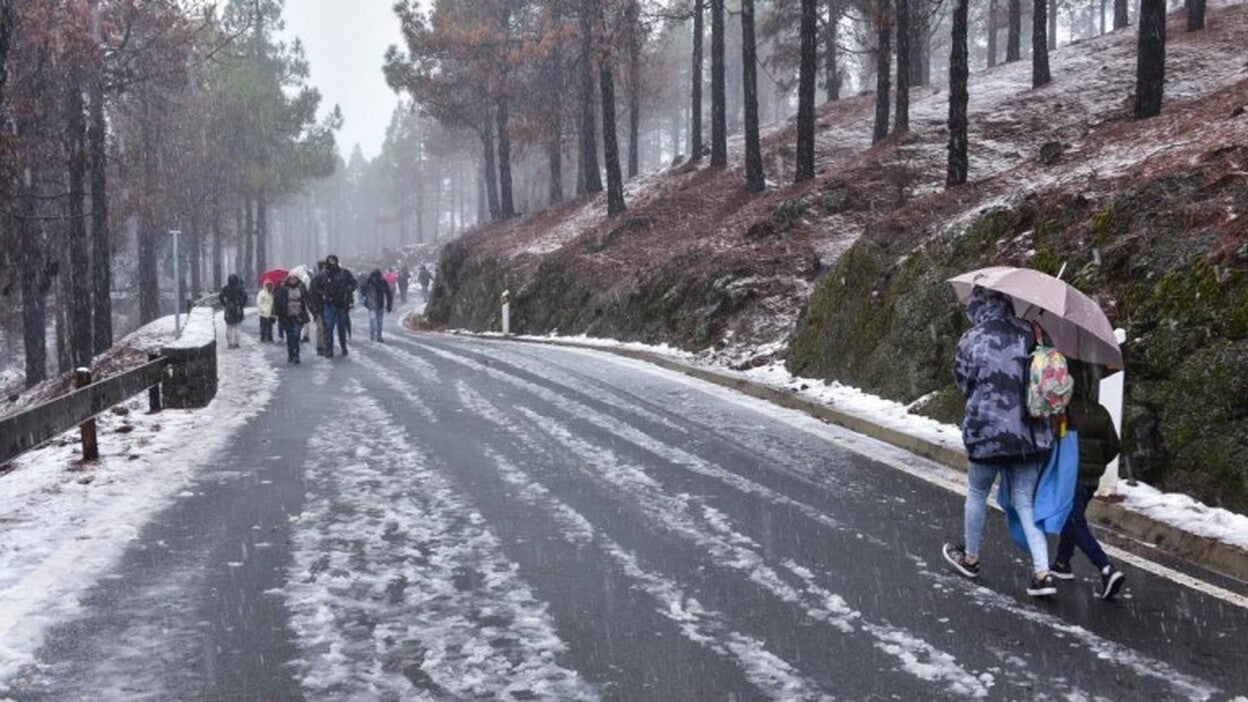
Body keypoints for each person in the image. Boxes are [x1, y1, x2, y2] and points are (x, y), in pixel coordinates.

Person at [943, 287, 1057, 598]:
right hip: (1030, 436)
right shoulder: (1032, 332)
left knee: (978, 493)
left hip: (986, 435)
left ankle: (971, 557)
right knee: (1024, 502)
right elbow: (1047, 378)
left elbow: (963, 383)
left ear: (979, 307)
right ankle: (1042, 572)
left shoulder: (971, 339)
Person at [1051, 362, 1126, 600]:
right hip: (1092, 478)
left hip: (1071, 475)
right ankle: (1062, 562)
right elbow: (1113, 447)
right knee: (1073, 518)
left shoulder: (1066, 411)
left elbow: (1055, 439)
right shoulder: (1101, 412)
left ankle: (1106, 568)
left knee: (1074, 521)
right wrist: (1097, 463)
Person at [319, 254, 357, 358]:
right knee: (329, 327)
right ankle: (329, 349)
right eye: (329, 261)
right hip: (329, 304)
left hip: (341, 304)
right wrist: (323, 295)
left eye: (333, 261)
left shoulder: (344, 273)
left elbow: (354, 283)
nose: (331, 263)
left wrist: (347, 290)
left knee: (341, 327)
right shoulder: (324, 274)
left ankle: (343, 346)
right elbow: (316, 286)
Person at [273, 272, 310, 364]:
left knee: (297, 335)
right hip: (287, 315)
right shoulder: (283, 289)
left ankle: (296, 354)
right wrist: (276, 313)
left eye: (294, 279)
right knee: (290, 336)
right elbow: (277, 301)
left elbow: (307, 299)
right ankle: (290, 354)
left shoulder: (301, 288)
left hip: (298, 314)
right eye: (291, 279)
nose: (293, 281)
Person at [361, 268, 394, 342]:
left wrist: (365, 300)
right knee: (379, 321)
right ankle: (378, 336)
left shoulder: (368, 282)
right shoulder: (382, 282)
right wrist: (389, 305)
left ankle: (373, 335)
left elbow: (363, 291)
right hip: (378, 304)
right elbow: (388, 294)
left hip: (372, 305)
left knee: (373, 320)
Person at [219, 274, 247, 349]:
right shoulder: (240, 288)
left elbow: (220, 297)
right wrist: (241, 305)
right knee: (237, 326)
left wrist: (224, 304)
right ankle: (236, 343)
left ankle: (230, 343)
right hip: (237, 307)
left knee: (229, 327)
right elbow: (245, 297)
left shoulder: (225, 288)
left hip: (228, 308)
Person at [309, 261, 327, 356]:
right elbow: (311, 296)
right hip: (320, 307)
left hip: (322, 307)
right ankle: (321, 346)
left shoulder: (324, 279)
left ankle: (322, 345)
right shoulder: (316, 280)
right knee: (321, 327)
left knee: (323, 327)